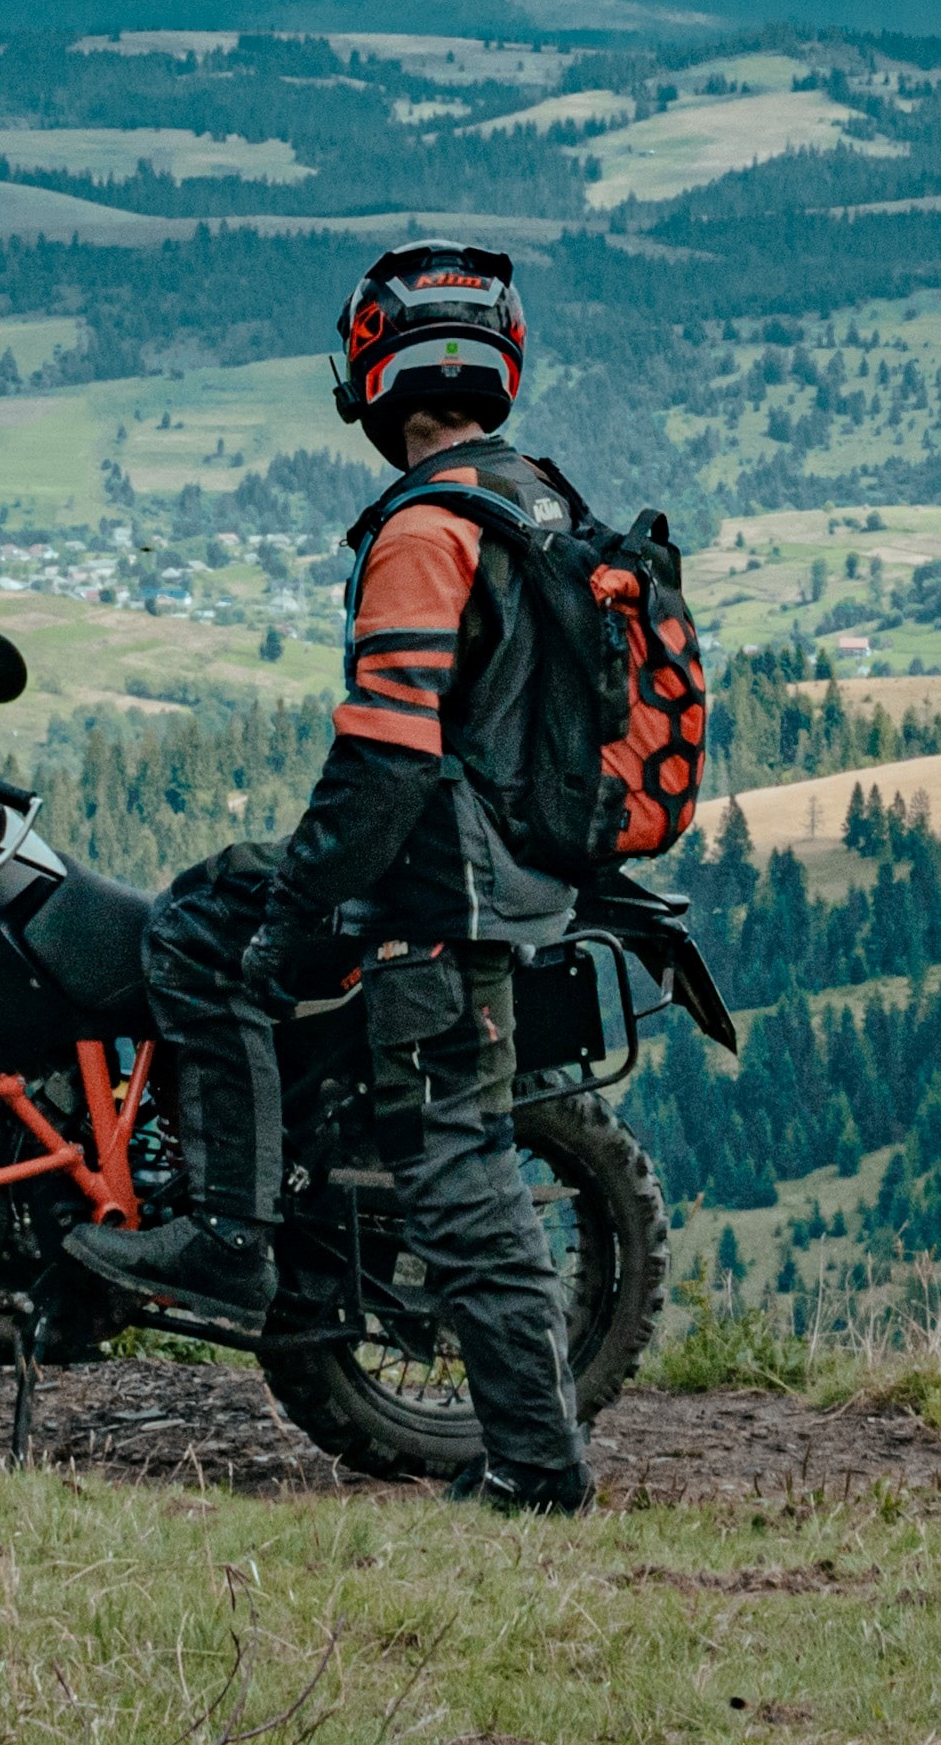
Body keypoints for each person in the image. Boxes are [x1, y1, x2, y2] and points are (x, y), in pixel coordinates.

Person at [68, 239, 595, 1514]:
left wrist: (300, 912)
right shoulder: (538, 499)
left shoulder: (429, 527)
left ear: (372, 374)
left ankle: (526, 1460)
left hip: (439, 886)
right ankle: (235, 1218)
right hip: (496, 864)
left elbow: (388, 756)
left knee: (454, 1165)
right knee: (205, 908)